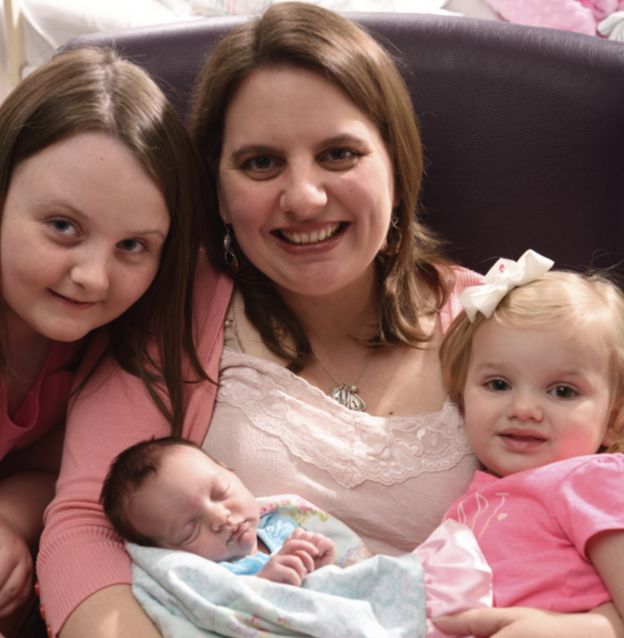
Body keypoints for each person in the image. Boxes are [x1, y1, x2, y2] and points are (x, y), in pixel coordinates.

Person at [36, 4, 624, 638]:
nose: (304, 197)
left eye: (339, 154)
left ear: (395, 165)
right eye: (261, 163)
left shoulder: (506, 320)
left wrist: (600, 626)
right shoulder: (174, 309)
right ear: (219, 191)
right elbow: (84, 523)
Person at [0, 46, 208, 636]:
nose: (93, 276)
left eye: (132, 246)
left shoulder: (99, 345)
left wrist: (9, 520)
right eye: (63, 227)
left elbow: (52, 470)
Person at [433, 250, 624, 633]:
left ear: (614, 421)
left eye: (563, 391)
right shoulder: (471, 498)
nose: (523, 409)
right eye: (498, 384)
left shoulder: (592, 480)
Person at [101, 437, 336, 584]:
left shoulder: (282, 526)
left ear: (230, 471)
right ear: (165, 552)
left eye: (220, 492)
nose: (220, 518)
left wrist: (322, 567)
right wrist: (262, 587)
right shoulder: (204, 579)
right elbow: (215, 613)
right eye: (190, 529)